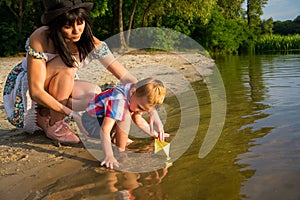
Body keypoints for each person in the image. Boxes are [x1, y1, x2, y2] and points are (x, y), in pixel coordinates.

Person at [3, 0, 165, 144]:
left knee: (95, 94)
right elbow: (36, 92)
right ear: (56, 26)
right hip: (32, 89)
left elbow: (128, 79)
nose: (76, 31)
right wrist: (71, 114)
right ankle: (54, 123)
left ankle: (46, 114)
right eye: (68, 26)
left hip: (61, 84)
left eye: (80, 23)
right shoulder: (41, 37)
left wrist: (151, 110)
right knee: (69, 64)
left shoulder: (91, 43)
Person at [81, 78, 167, 169]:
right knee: (125, 115)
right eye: (139, 107)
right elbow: (105, 129)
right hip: (92, 122)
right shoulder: (119, 100)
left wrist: (154, 134)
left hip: (103, 117)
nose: (140, 112)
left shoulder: (134, 93)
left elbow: (139, 120)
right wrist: (109, 155)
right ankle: (120, 151)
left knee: (126, 114)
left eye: (144, 110)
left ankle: (116, 140)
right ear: (133, 92)